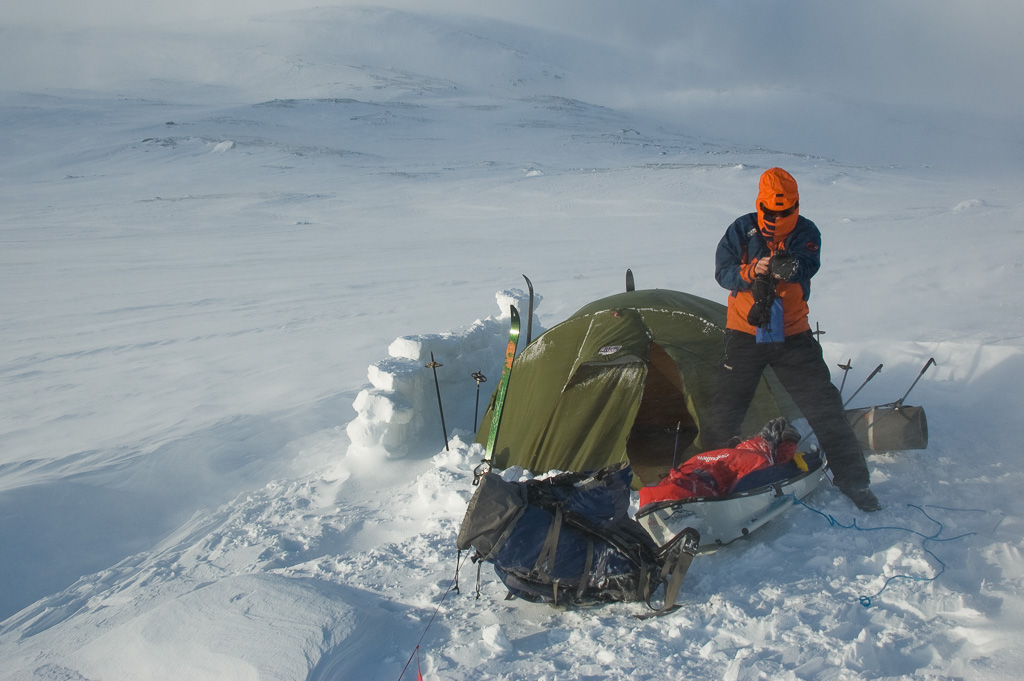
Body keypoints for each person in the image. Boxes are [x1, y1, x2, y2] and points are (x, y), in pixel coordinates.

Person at [706, 167, 881, 512]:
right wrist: (750, 271)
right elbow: (722, 273)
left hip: (792, 334)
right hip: (744, 331)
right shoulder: (741, 228)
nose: (777, 218)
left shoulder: (806, 231)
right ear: (760, 206)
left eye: (784, 213)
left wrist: (787, 267)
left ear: (796, 206)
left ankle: (854, 481)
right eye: (771, 213)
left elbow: (807, 264)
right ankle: (706, 481)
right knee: (724, 413)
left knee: (825, 409)